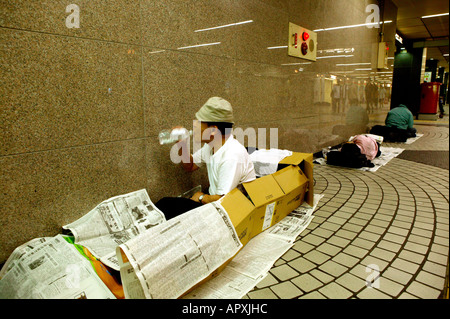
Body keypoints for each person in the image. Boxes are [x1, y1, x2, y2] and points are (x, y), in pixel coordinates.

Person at [155, 97, 256, 220]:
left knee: (166, 206)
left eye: (199, 121)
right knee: (166, 205)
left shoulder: (232, 155)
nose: (194, 125)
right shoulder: (211, 146)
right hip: (213, 202)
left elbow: (222, 201)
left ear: (213, 129)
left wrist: (201, 197)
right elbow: (190, 166)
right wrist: (181, 143)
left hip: (229, 212)